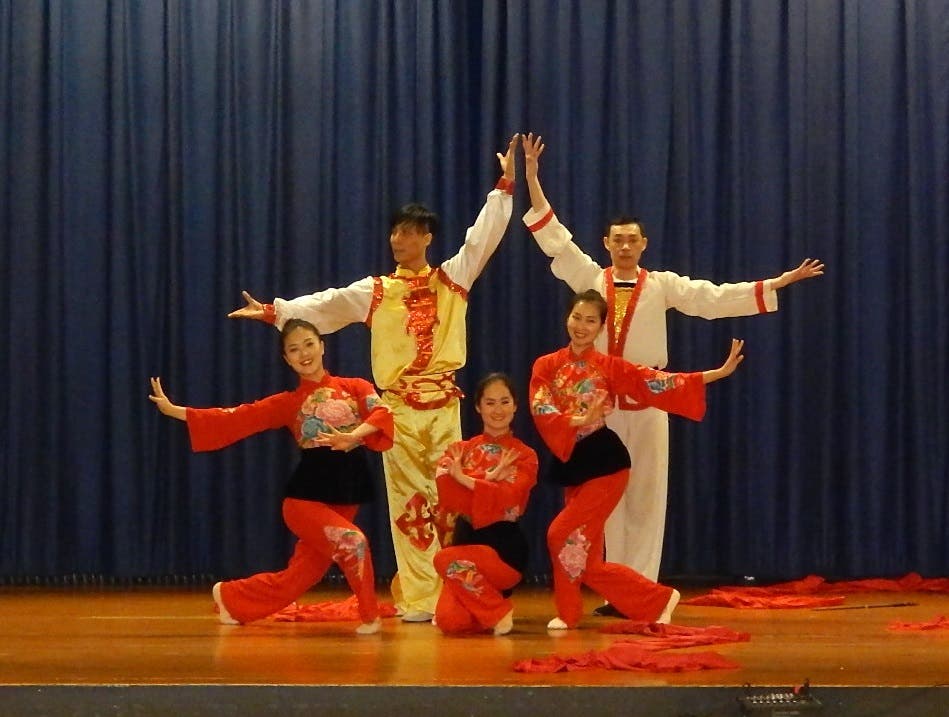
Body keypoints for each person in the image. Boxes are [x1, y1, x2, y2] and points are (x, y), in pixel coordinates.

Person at [227, 136, 519, 621]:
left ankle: (456, 589)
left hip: (444, 405)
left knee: (449, 499)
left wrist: (504, 187)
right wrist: (276, 312)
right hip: (398, 409)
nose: (398, 240)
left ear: (427, 237)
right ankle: (422, 597)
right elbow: (328, 304)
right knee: (409, 504)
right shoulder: (377, 291)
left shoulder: (452, 280)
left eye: (409, 232)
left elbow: (482, 239)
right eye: (395, 232)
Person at [521, 133, 824, 598]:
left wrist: (777, 283)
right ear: (606, 243)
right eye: (617, 239)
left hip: (648, 402)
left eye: (632, 239)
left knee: (646, 496)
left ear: (644, 244)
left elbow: (712, 298)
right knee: (602, 499)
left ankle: (641, 591)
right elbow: (556, 240)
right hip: (597, 410)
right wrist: (532, 177)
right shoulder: (590, 277)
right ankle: (614, 589)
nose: (625, 246)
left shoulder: (662, 284)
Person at [148, 319, 394, 634]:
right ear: (286, 359)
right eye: (294, 349)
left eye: (309, 344)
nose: (304, 353)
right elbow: (237, 417)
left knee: (298, 579)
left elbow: (383, 413)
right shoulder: (288, 403)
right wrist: (175, 410)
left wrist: (353, 437)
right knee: (353, 542)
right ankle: (370, 616)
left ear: (322, 346)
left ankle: (231, 597)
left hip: (346, 495)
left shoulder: (355, 387)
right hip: (305, 500)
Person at [530, 289, 745, 629]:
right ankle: (586, 611)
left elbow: (655, 382)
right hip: (573, 462)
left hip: (606, 463)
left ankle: (647, 599)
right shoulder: (547, 365)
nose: (581, 326)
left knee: (560, 534)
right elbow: (541, 406)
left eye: (590, 321)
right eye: (577, 318)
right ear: (567, 318)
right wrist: (577, 419)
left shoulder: (609, 366)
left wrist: (715, 373)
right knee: (582, 554)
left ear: (601, 327)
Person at [431, 373, 539, 636]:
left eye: (504, 402)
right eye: (490, 403)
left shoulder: (525, 455)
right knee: (450, 621)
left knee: (444, 558)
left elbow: (509, 499)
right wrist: (490, 479)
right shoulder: (458, 450)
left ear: (515, 405)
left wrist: (463, 478)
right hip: (464, 545)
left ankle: (497, 611)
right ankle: (488, 603)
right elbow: (449, 496)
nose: (498, 410)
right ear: (478, 407)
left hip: (504, 551)